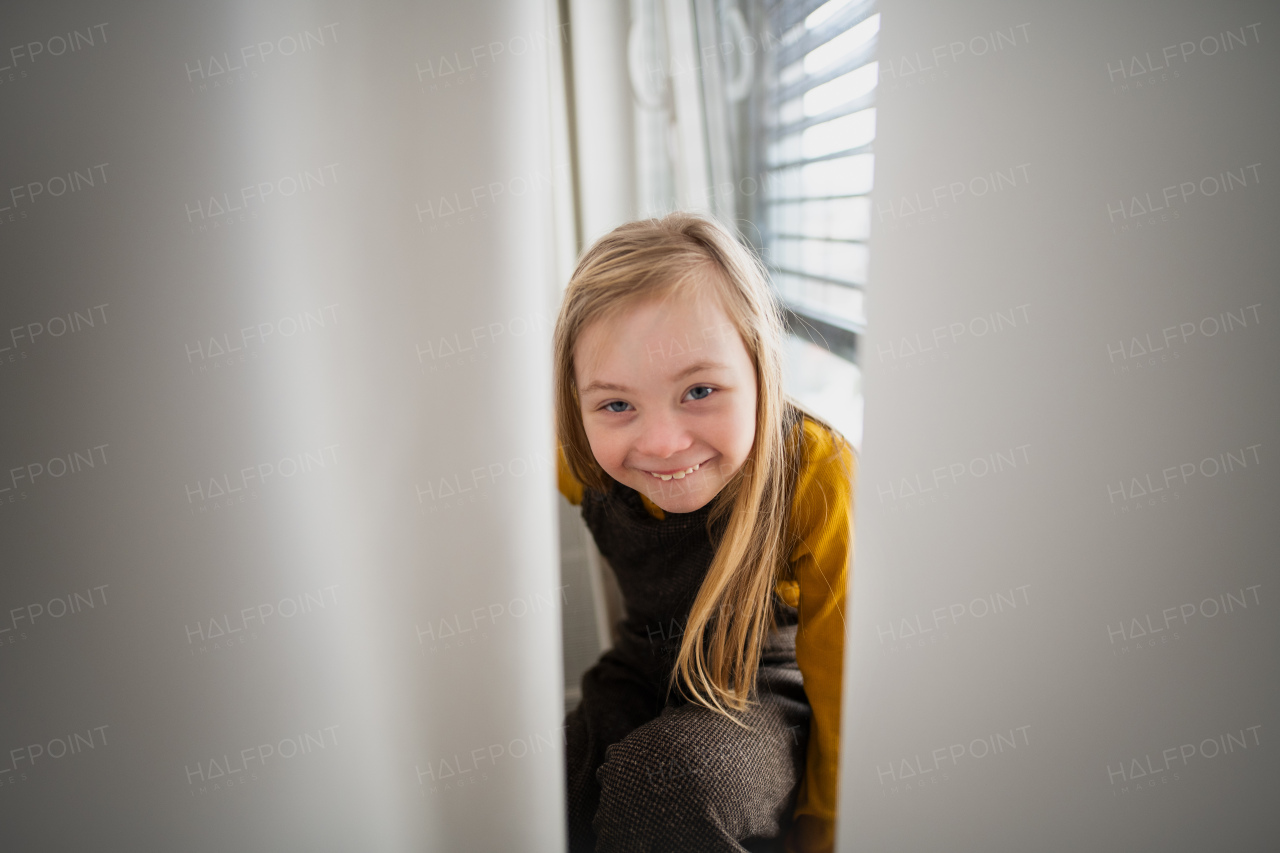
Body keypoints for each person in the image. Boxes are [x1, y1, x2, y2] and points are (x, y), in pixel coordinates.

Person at [553, 211, 856, 853]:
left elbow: (843, 677)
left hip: (763, 685)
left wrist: (829, 833)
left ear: (761, 371)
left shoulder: (814, 473)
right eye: (616, 404)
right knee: (548, 780)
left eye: (700, 390)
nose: (662, 444)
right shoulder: (576, 455)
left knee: (671, 783)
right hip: (642, 663)